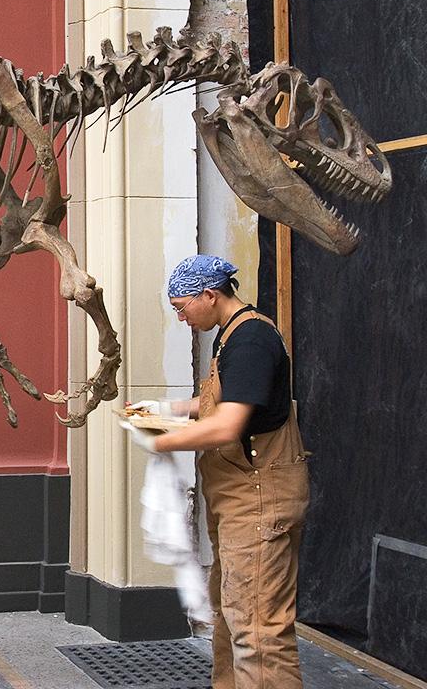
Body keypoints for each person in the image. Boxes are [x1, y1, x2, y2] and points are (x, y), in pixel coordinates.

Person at [124, 254, 309, 688]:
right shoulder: (229, 335)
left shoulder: (252, 341)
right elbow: (219, 403)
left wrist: (160, 439)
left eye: (181, 307)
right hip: (237, 501)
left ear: (210, 295)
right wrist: (165, 409)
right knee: (231, 613)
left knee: (259, 628)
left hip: (260, 500)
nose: (181, 317)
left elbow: (227, 425)